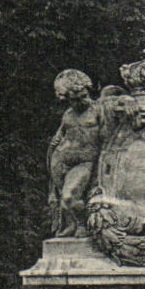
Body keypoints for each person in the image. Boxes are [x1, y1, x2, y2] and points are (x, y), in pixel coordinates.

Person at [47, 69, 103, 237]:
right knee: (64, 203)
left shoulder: (99, 110)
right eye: (74, 99)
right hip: (60, 162)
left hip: (84, 162)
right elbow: (60, 135)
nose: (81, 101)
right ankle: (72, 225)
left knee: (69, 197)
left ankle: (82, 225)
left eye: (83, 96)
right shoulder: (68, 114)